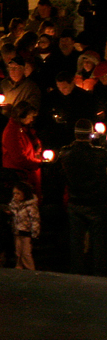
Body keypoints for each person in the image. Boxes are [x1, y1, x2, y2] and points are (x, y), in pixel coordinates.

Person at [59, 118, 107, 276]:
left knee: (76, 240)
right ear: (90, 134)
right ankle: (99, 272)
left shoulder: (65, 153)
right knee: (98, 240)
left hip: (75, 200)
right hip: (95, 201)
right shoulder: (99, 154)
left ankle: (76, 271)